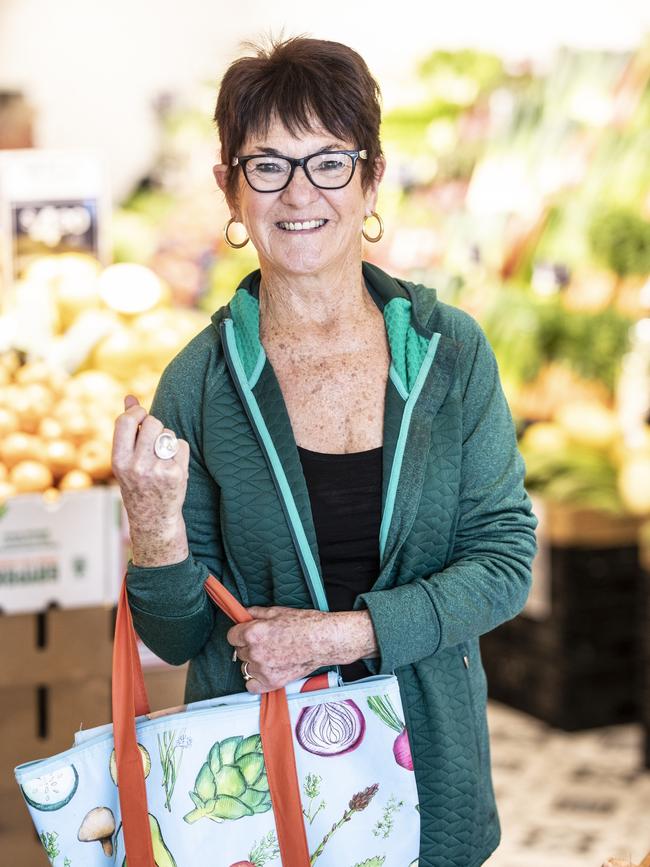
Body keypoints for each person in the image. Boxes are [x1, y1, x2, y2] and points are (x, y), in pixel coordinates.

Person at [112, 36, 538, 867]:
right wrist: (154, 523)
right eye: (266, 164)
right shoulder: (198, 384)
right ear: (229, 188)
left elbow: (505, 560)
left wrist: (339, 636)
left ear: (372, 177)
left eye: (329, 162)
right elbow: (175, 631)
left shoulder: (450, 354)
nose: (299, 191)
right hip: (260, 797)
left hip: (432, 776)